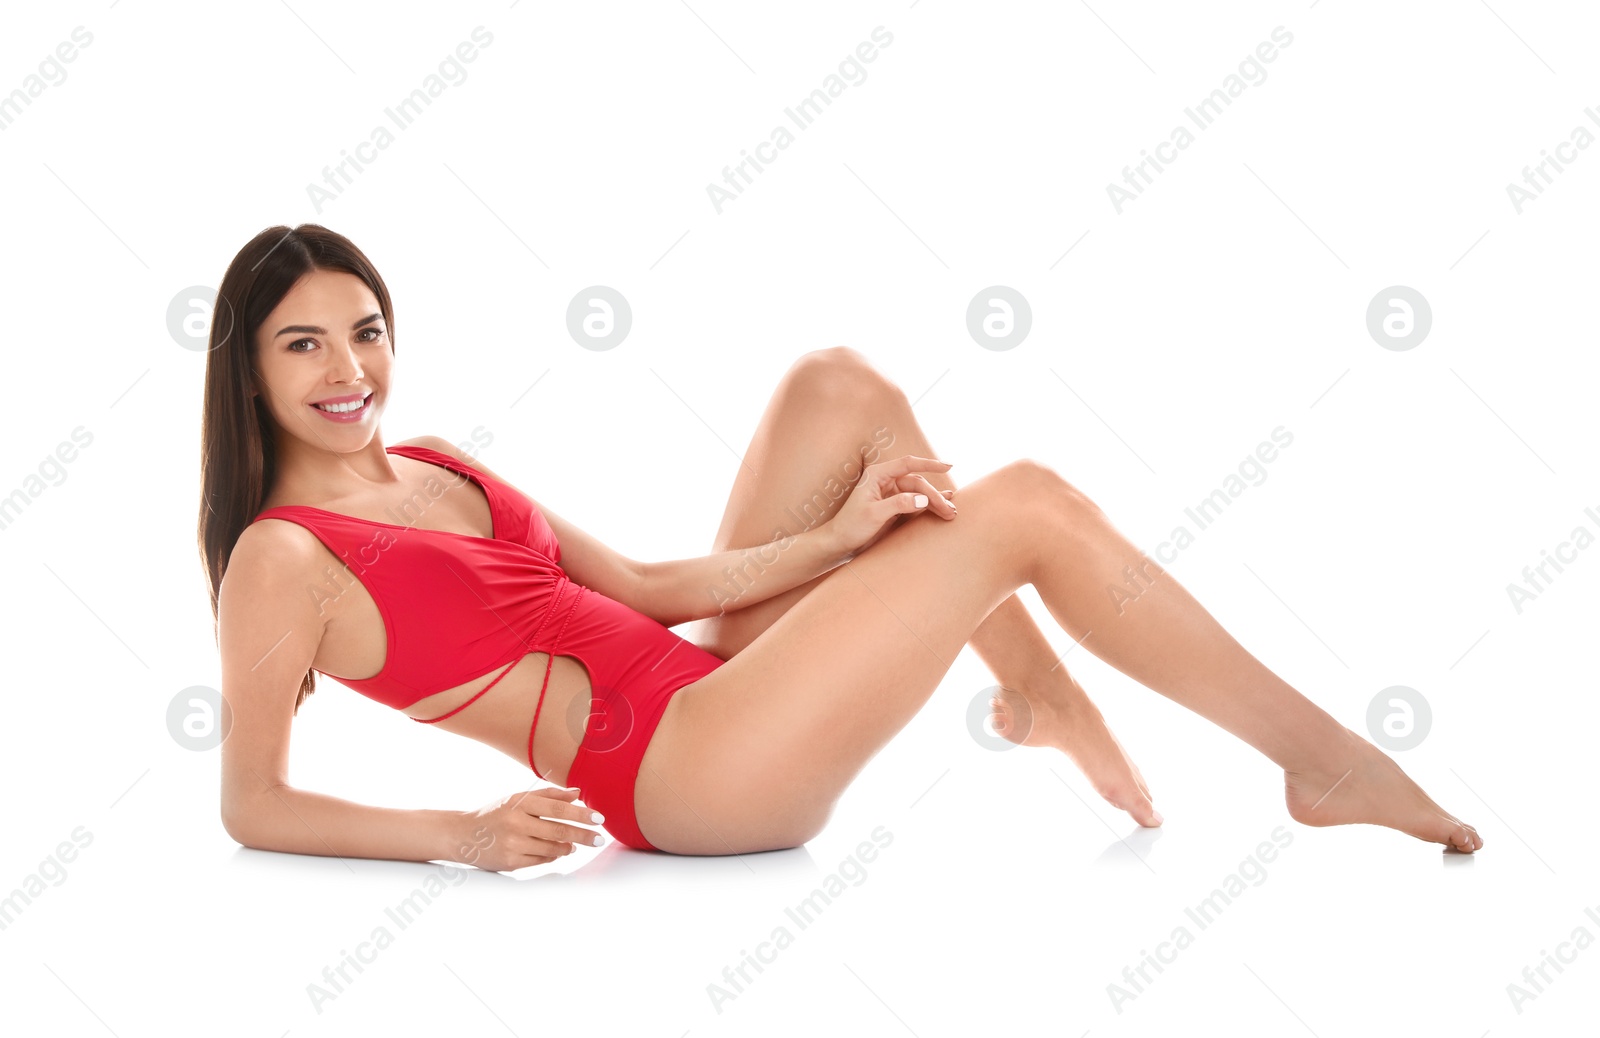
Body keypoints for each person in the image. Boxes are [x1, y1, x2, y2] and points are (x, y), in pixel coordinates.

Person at [201, 224, 1482, 872]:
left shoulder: (434, 461)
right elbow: (252, 805)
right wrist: (460, 836)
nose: (348, 368)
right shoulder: (284, 557)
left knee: (839, 385)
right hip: (681, 783)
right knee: (1022, 503)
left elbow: (647, 589)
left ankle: (1036, 691)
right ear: (248, 373)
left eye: (362, 329)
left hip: (701, 689)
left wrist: (839, 537)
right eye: (301, 344)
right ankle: (1323, 764)